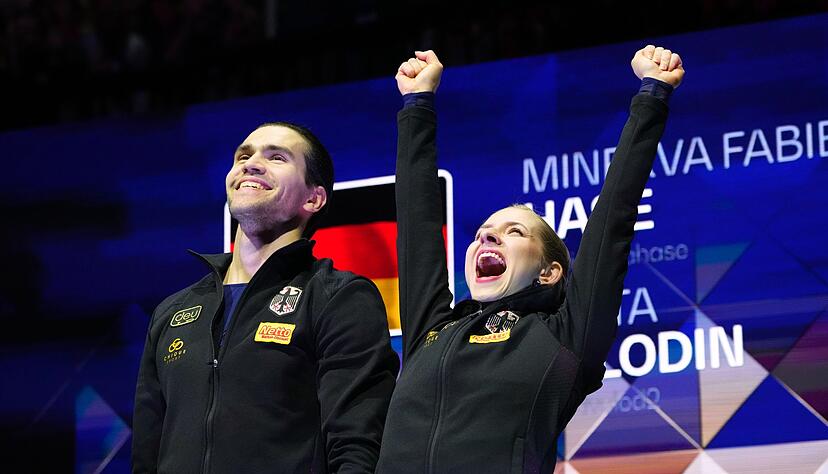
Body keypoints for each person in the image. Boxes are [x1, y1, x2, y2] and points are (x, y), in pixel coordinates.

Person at [377, 46, 684, 473]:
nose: (487, 236)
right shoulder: (433, 330)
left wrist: (652, 94)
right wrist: (416, 102)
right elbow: (417, 222)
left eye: (514, 232)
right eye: (483, 232)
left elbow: (613, 217)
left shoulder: (566, 336)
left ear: (549, 272)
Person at [132, 122, 400, 473]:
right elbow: (146, 455)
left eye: (276, 157)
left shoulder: (339, 298)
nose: (251, 164)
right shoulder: (173, 311)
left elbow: (357, 445)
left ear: (313, 198)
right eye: (244, 156)